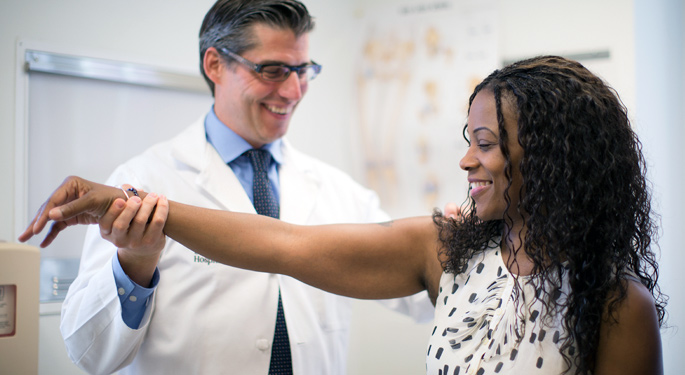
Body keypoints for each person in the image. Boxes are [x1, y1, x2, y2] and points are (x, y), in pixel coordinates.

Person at [22, 55, 667, 375]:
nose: (466, 161)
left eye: (487, 143)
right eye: (466, 139)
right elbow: (280, 245)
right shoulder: (447, 249)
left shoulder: (616, 306)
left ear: (553, 159)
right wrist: (126, 204)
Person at [30, 1, 433, 374]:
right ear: (215, 65)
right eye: (273, 70)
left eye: (303, 70)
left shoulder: (337, 190)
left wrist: (469, 239)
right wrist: (134, 265)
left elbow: (426, 288)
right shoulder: (145, 180)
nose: (293, 92)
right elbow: (89, 353)